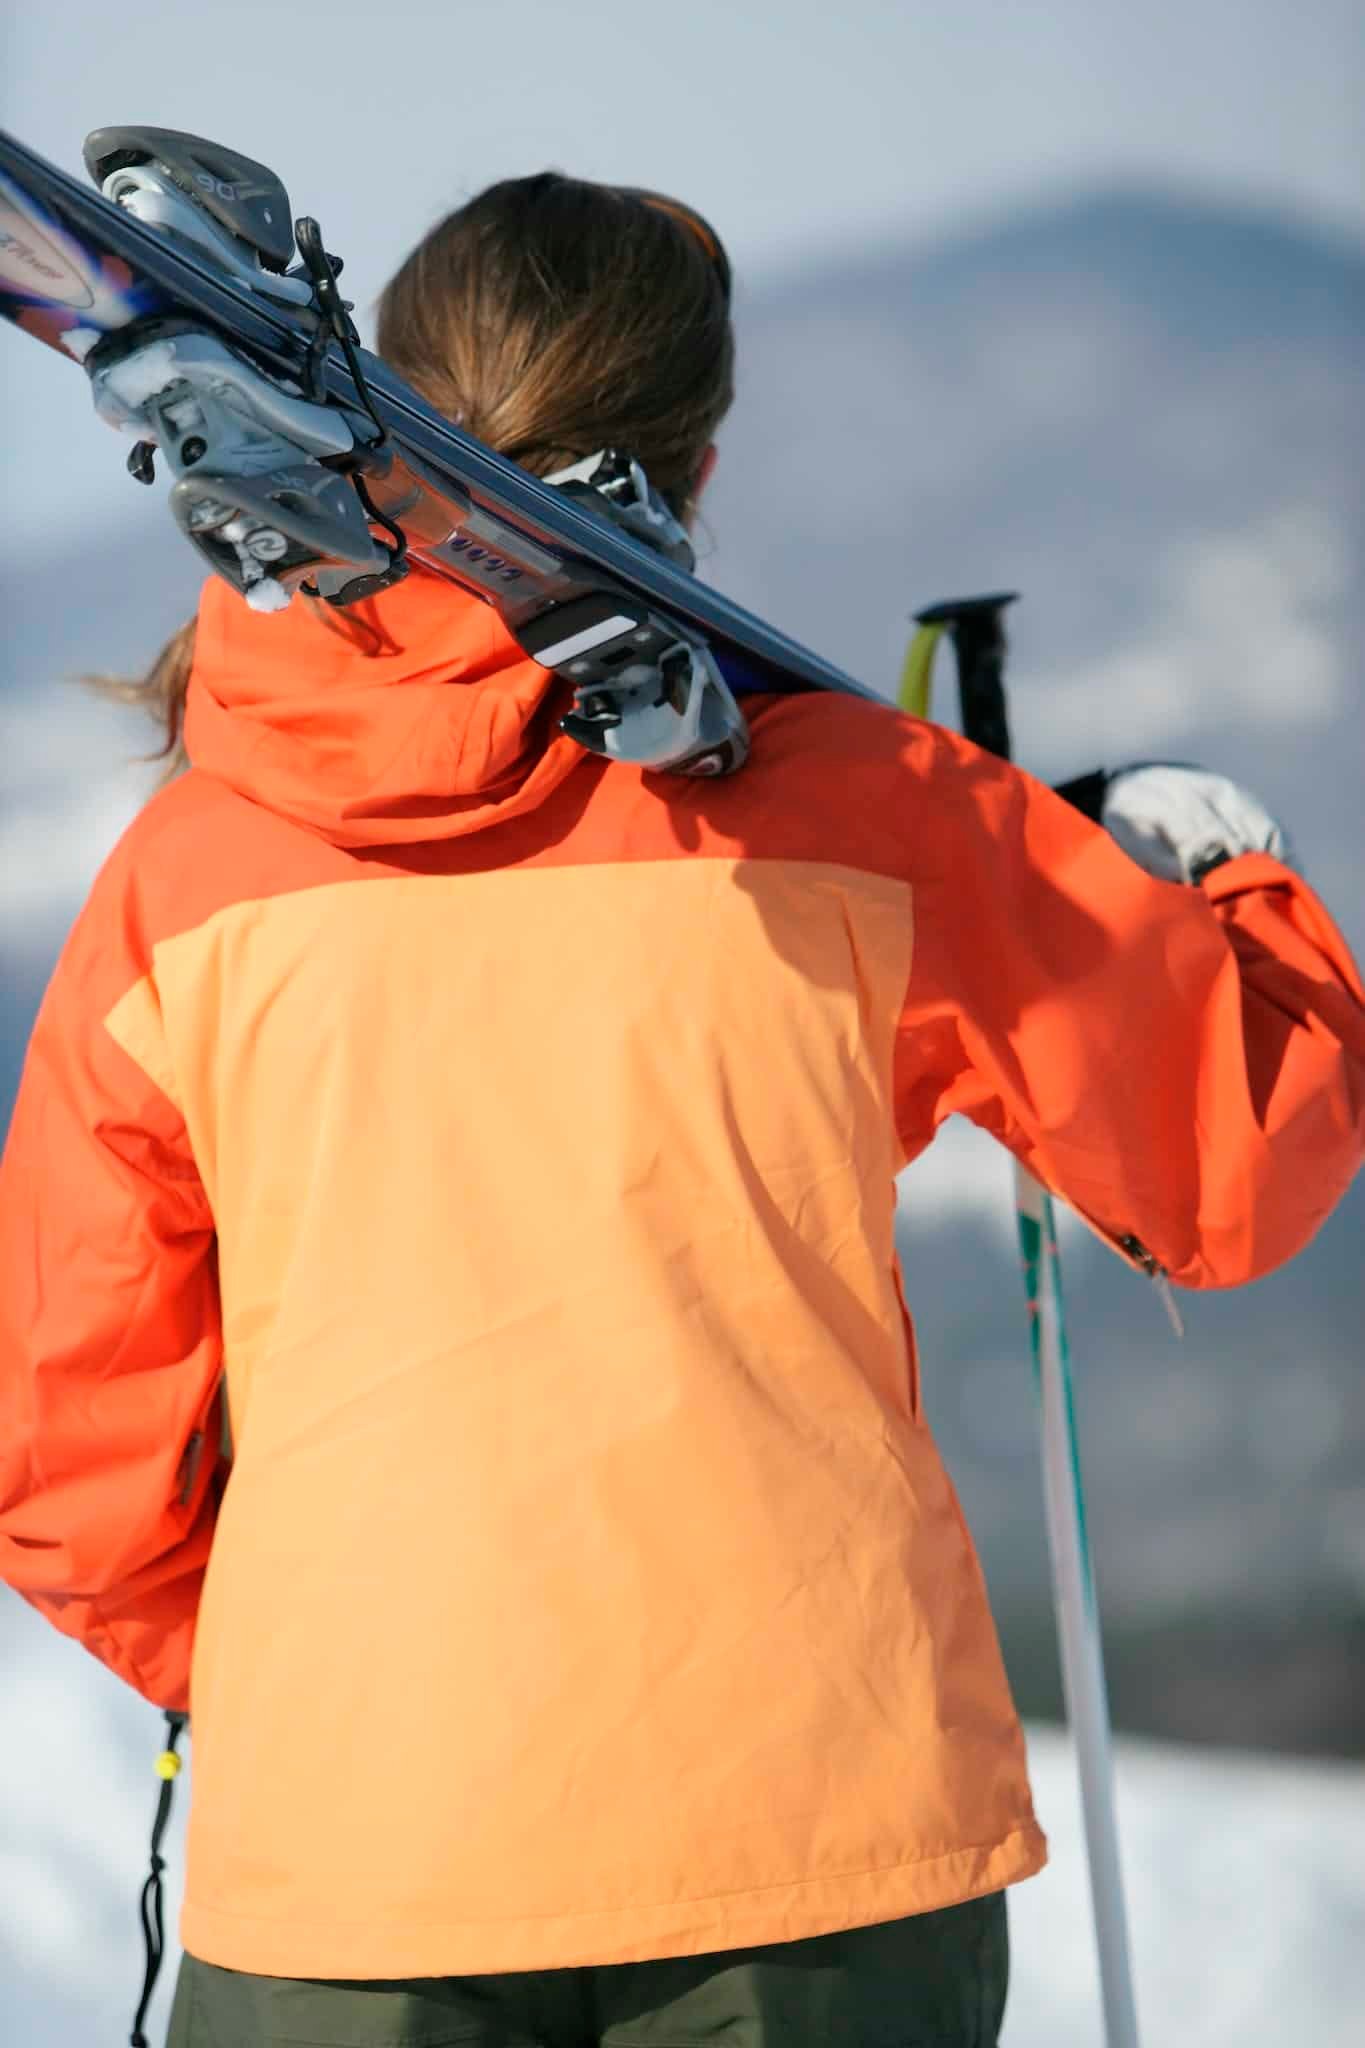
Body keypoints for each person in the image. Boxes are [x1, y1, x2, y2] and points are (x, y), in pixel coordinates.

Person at [1, 171, 1362, 2048]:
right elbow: (1231, 1170)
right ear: (696, 458)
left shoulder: (178, 885)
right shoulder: (875, 816)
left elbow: (64, 1465)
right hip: (818, 1843)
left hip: (349, 1861)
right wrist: (1216, 898)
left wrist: (299, 1680)